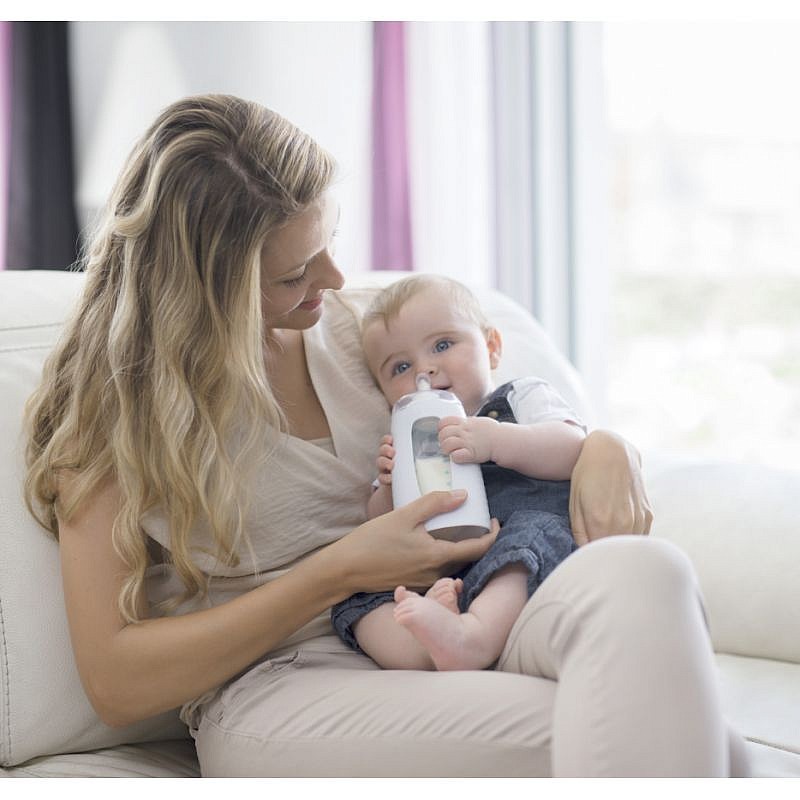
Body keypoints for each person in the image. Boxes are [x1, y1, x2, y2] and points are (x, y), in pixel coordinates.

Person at [23, 94, 748, 777]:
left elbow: (512, 411)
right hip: (284, 682)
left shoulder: (368, 334)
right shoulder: (114, 414)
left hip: (472, 601)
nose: (336, 278)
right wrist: (340, 570)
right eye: (295, 274)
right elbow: (115, 684)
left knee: (649, 574)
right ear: (208, 288)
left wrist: (605, 448)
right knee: (685, 738)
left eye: (330, 242)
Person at [332, 274, 586, 671]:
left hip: (512, 536)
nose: (425, 370)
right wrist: (389, 488)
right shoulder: (405, 437)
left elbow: (573, 448)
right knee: (357, 594)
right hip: (437, 564)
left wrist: (498, 440)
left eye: (442, 345)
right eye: (401, 367)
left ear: (491, 347)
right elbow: (379, 523)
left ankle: (473, 637)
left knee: (530, 540)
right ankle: (421, 650)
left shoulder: (521, 396)